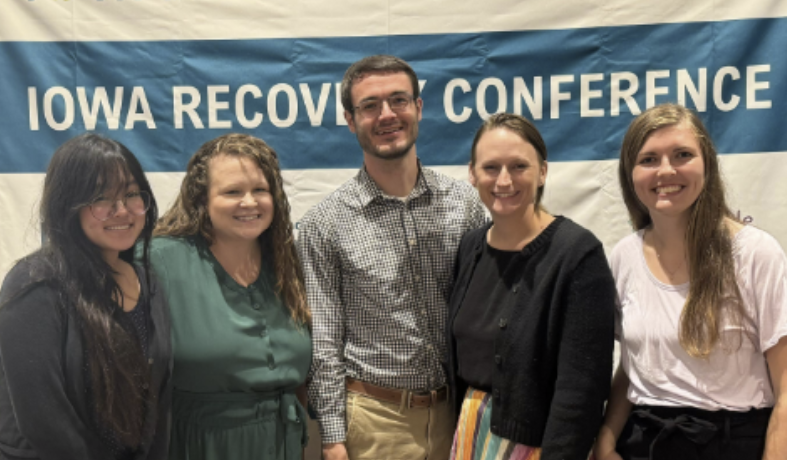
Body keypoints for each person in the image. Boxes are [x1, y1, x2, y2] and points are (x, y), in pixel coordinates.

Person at [297, 54, 487, 460]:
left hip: (459, 414)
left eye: (398, 100)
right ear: (350, 120)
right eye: (369, 106)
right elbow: (325, 342)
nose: (387, 114)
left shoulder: (465, 204)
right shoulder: (324, 224)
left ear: (418, 108)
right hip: (375, 422)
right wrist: (332, 439)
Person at [592, 103, 787, 460]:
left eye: (682, 155)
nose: (666, 170)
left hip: (734, 444)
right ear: (630, 173)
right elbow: (633, 365)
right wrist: (606, 438)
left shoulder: (756, 253)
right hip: (643, 441)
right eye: (648, 159)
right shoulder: (624, 255)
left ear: (707, 164)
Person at [445, 113, 616, 460]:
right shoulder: (470, 247)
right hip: (470, 435)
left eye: (519, 166)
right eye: (491, 167)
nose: (504, 180)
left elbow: (581, 390)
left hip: (539, 444)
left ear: (542, 172)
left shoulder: (577, 255)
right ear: (472, 173)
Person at [0, 133, 171, 460]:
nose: (122, 210)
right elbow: (44, 421)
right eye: (101, 198)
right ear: (68, 205)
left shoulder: (148, 282)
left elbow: (158, 403)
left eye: (133, 194)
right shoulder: (35, 284)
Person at [149, 133, 310, 460]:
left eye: (260, 190)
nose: (249, 202)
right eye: (232, 191)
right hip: (199, 445)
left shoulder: (286, 262)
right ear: (202, 199)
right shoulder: (159, 260)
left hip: (284, 445)